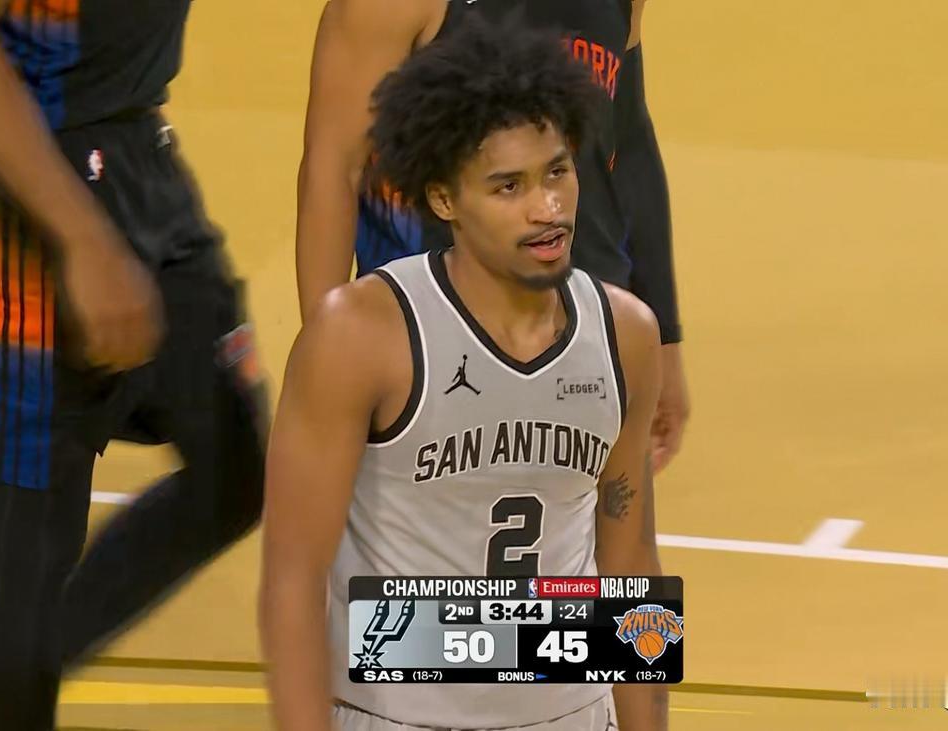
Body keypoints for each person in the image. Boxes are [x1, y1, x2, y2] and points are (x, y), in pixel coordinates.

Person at [260, 17, 668, 730]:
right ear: (444, 199)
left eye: (557, 172)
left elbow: (629, 561)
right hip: (397, 715)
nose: (546, 208)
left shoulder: (626, 333)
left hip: (571, 711)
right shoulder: (361, 336)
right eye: (508, 186)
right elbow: (292, 583)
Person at [0, 0, 266, 728]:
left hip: (131, 144)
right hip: (11, 175)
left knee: (234, 470)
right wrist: (84, 241)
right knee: (35, 511)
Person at [294, 0, 690, 473]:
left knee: (592, 521)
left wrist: (664, 339)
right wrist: (322, 368)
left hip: (589, 335)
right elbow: (334, 169)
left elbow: (628, 137)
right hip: (431, 347)